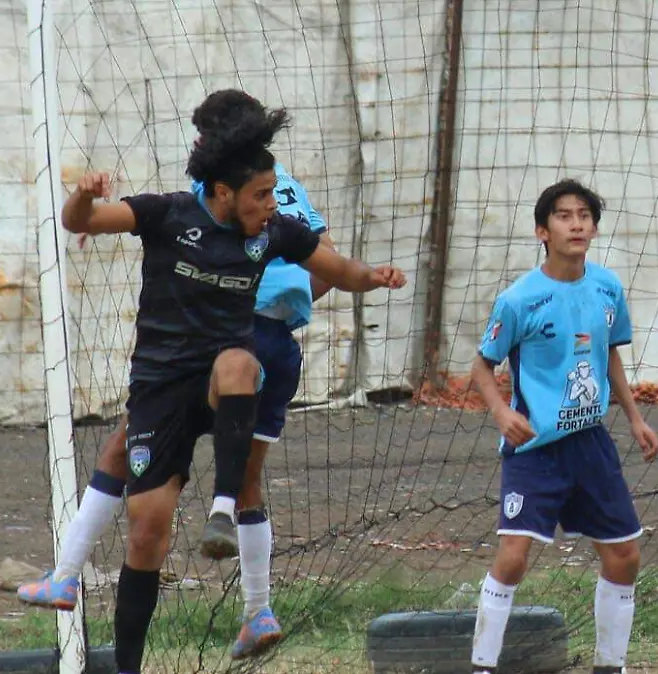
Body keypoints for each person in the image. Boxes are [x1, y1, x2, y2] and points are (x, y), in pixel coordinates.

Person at [53, 92, 406, 674]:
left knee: (231, 377)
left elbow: (334, 267)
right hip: (177, 375)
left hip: (228, 360)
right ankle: (141, 647)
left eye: (272, 194)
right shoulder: (174, 210)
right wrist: (85, 199)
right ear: (223, 190)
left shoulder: (264, 216)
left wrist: (369, 277)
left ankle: (213, 524)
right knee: (152, 524)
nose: (270, 204)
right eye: (261, 196)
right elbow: (85, 221)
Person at [468, 180, 658, 674]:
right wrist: (501, 412)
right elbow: (481, 367)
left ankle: (609, 666)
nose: (576, 224)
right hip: (536, 449)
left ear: (594, 227)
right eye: (563, 216)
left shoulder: (607, 288)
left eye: (584, 215)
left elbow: (609, 355)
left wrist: (635, 418)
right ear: (542, 231)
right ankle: (483, 666)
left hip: (591, 444)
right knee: (513, 556)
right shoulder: (519, 300)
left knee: (624, 556)